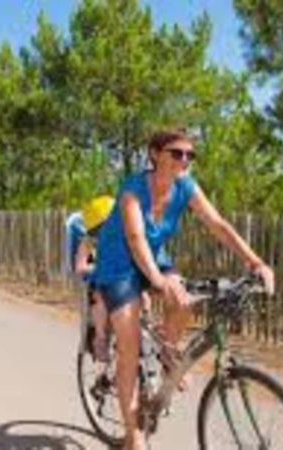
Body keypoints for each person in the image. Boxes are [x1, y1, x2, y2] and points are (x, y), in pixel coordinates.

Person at [94, 129, 274, 450]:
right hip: (118, 262)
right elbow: (135, 239)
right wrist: (157, 279)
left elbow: (218, 224)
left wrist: (256, 263)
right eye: (177, 153)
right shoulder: (133, 189)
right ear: (154, 154)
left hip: (155, 255)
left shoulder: (185, 187)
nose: (185, 160)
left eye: (190, 155)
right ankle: (133, 434)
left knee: (184, 299)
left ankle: (167, 352)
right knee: (129, 344)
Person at [66, 196, 115, 361]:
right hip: (99, 283)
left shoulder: (122, 238)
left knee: (143, 296)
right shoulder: (88, 243)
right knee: (100, 298)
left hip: (122, 281)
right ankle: (100, 339)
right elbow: (80, 268)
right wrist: (97, 268)